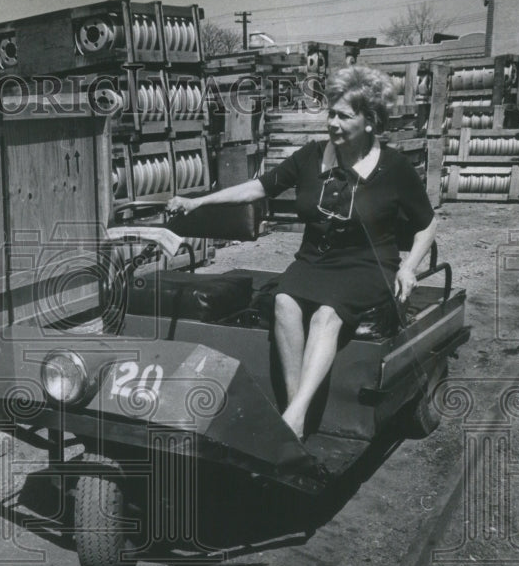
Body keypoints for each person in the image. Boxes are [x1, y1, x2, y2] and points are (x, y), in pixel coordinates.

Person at [166, 66, 437, 439]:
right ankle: (298, 411)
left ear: (370, 121)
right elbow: (257, 188)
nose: (332, 123)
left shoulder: (393, 167)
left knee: (328, 314)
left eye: (344, 116)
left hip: (366, 262)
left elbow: (427, 223)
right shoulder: (311, 156)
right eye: (330, 113)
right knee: (284, 303)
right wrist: (198, 203)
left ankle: (292, 419)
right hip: (314, 259)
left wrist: (409, 268)